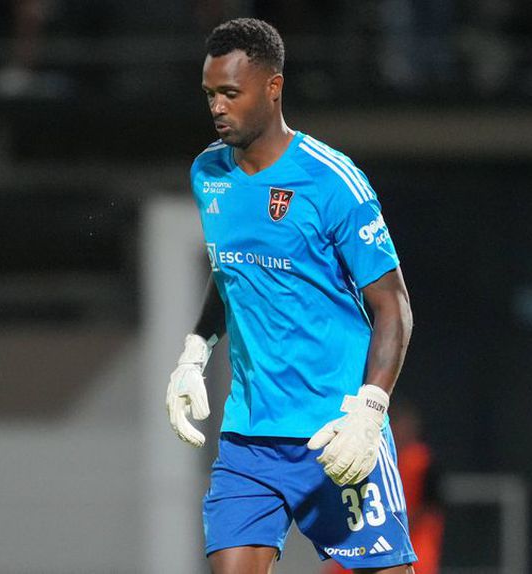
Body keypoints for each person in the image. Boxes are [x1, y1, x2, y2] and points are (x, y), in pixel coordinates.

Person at [166, 18, 415, 574]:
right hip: (249, 440)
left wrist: (370, 413)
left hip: (334, 433)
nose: (217, 107)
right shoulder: (208, 173)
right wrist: (194, 351)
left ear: (273, 88)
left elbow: (393, 307)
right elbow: (231, 269)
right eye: (210, 94)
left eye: (231, 93)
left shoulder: (333, 181)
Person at [324, 399, 446, 574]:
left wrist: (394, 527)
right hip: (367, 537)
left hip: (414, 542)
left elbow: (431, 507)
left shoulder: (422, 460)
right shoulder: (367, 456)